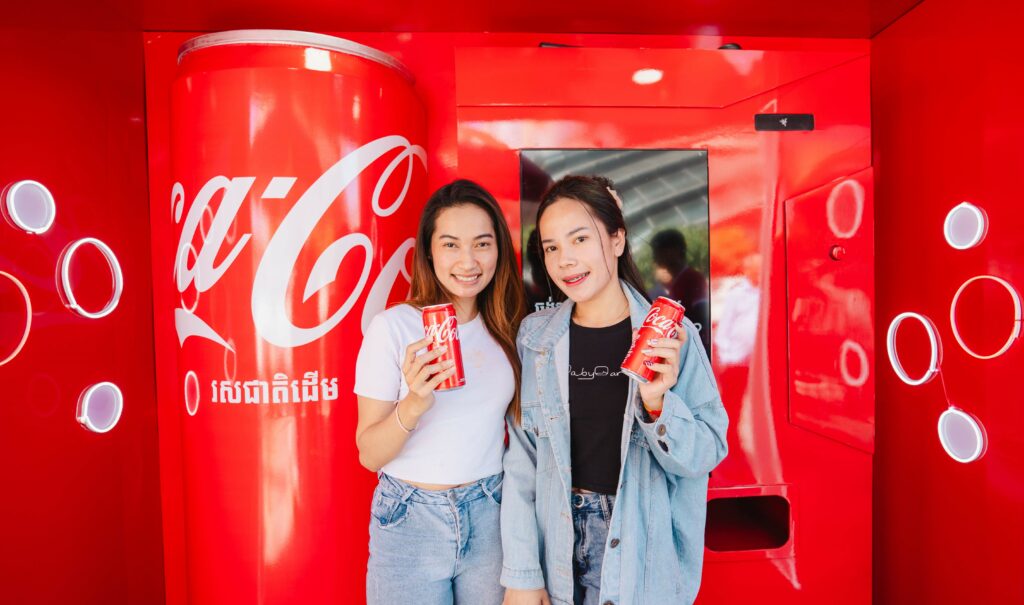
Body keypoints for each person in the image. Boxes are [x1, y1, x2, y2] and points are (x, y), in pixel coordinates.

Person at [501, 175, 729, 605]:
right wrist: (522, 574)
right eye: (551, 248)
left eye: (580, 239)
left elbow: (707, 451)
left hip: (641, 547)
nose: (565, 260)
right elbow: (522, 462)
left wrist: (657, 406)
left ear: (617, 239)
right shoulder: (535, 339)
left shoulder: (669, 337)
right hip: (556, 542)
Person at [354, 179, 525, 605]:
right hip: (410, 518)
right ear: (429, 252)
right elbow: (369, 454)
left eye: (482, 244)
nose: (468, 261)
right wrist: (414, 403)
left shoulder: (508, 326)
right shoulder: (393, 328)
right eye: (451, 245)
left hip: (491, 509)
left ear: (499, 250)